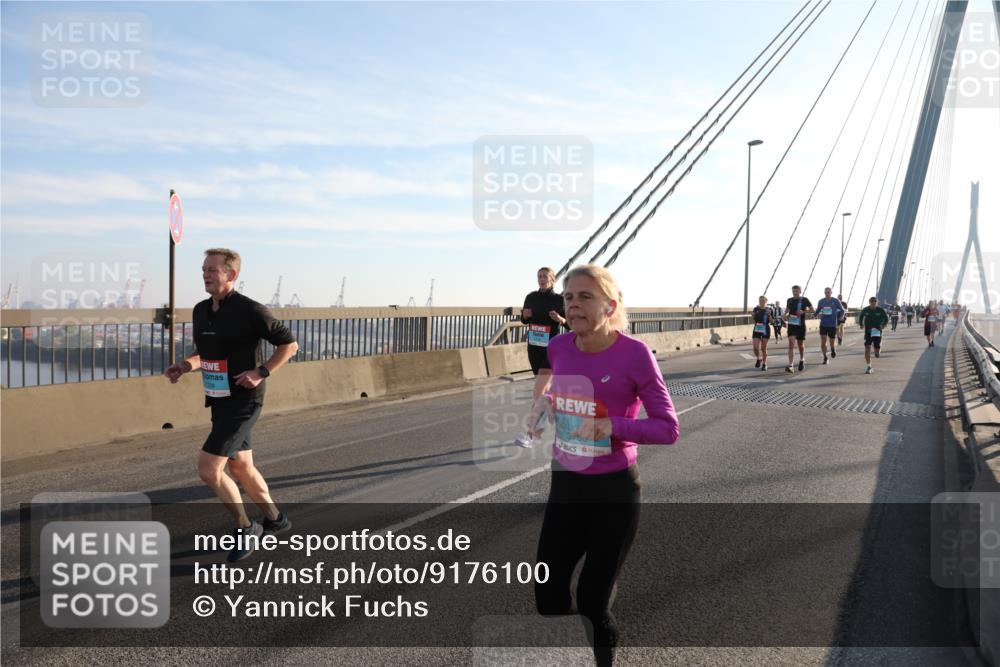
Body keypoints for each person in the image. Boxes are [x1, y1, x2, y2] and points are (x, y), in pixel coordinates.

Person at [528, 264, 679, 667]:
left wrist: (610, 426)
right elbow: (563, 390)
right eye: (569, 297)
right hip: (567, 487)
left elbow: (668, 428)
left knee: (593, 603)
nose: (574, 304)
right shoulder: (559, 347)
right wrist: (545, 405)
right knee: (548, 593)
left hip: (614, 490)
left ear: (610, 306)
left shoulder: (634, 354)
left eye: (585, 297)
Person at [164, 249, 298, 562]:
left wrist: (261, 372)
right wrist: (184, 365)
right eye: (203, 269)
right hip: (219, 399)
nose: (206, 275)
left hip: (244, 401)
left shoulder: (251, 310)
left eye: (213, 270)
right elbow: (205, 353)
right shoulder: (200, 311)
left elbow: (289, 345)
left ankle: (244, 526)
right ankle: (275, 518)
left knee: (209, 469)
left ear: (231, 274)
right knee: (241, 467)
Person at [513, 267, 567, 448]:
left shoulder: (559, 300)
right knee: (543, 393)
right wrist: (524, 316)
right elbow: (524, 319)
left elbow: (569, 324)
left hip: (551, 350)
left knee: (538, 392)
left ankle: (530, 434)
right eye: (539, 276)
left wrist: (560, 318)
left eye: (545, 276)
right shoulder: (531, 297)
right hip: (533, 348)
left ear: (552, 279)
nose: (541, 279)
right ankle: (554, 413)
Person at [784, 285, 814, 373]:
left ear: (800, 291)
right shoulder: (789, 300)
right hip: (792, 325)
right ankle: (791, 365)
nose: (795, 293)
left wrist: (803, 311)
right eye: (793, 291)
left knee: (800, 345)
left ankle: (802, 359)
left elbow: (813, 310)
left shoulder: (804, 300)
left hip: (800, 325)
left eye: (796, 291)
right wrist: (784, 315)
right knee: (791, 344)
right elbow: (787, 310)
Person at [859, 297, 889, 374]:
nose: (873, 303)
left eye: (875, 301)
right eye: (872, 301)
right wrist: (861, 324)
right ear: (869, 302)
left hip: (877, 331)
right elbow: (861, 316)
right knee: (867, 348)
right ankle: (869, 366)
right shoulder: (866, 310)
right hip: (868, 331)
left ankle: (878, 349)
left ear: (877, 302)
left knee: (877, 350)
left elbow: (886, 318)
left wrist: (883, 325)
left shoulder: (880, 310)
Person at [816, 287, 845, 365]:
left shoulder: (836, 301)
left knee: (832, 342)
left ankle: (832, 349)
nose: (827, 294)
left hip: (832, 324)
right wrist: (815, 314)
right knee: (823, 341)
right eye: (826, 292)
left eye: (828, 292)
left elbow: (842, 310)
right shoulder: (821, 301)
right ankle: (825, 357)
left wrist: (841, 316)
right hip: (823, 324)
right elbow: (818, 310)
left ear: (831, 293)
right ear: (824, 293)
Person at [751, 295, 772, 370]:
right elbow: (754, 318)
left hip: (765, 329)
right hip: (757, 328)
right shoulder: (756, 309)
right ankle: (758, 358)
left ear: (766, 301)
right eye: (760, 301)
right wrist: (753, 315)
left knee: (763, 348)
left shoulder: (769, 309)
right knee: (755, 348)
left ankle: (764, 363)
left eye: (763, 301)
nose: (761, 302)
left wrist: (769, 315)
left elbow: (772, 322)